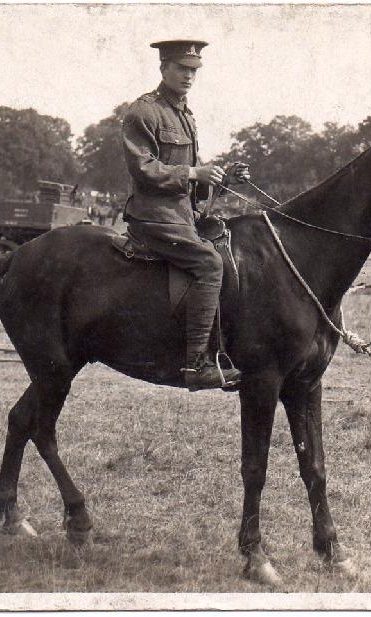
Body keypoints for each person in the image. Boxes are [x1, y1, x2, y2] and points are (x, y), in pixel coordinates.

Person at [121, 39, 249, 391]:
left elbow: (191, 185)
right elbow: (143, 169)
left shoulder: (185, 115)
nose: (189, 76)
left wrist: (222, 179)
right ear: (163, 68)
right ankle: (197, 365)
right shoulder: (143, 112)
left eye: (193, 70)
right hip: (153, 219)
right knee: (209, 263)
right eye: (181, 68)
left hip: (182, 216)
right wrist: (195, 173)